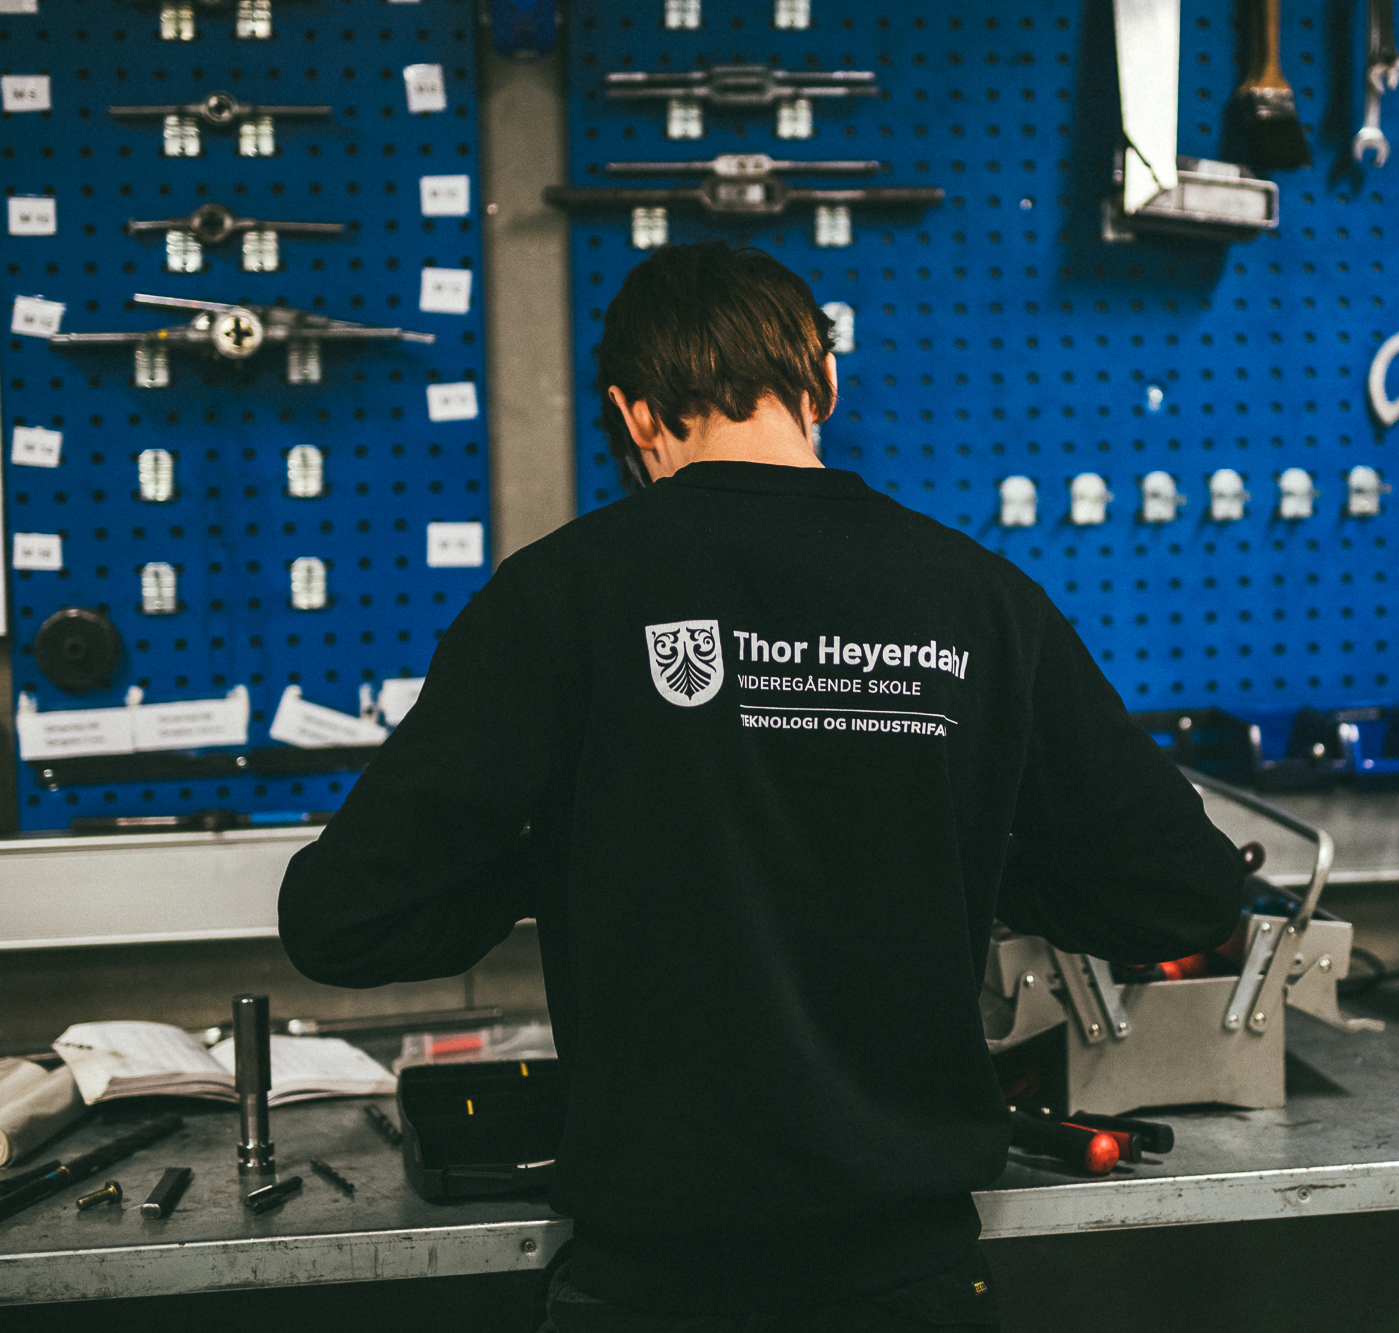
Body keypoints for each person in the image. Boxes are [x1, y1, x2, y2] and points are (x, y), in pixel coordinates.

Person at [278, 241, 1247, 1331]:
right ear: (824, 385)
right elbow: (1188, 895)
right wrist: (959, 859)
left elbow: (341, 921)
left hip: (652, 1282)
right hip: (909, 1279)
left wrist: (558, 857)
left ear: (633, 418)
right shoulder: (980, 600)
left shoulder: (561, 596)